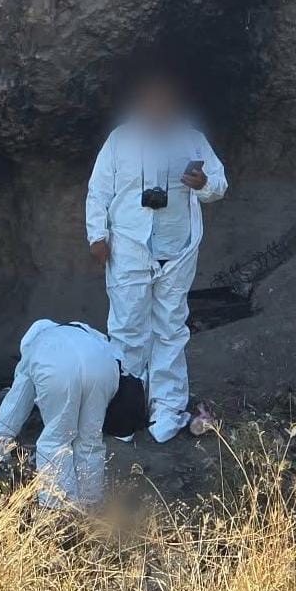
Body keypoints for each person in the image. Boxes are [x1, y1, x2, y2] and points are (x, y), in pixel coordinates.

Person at [85, 72, 228, 442]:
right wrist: (97, 236)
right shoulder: (120, 140)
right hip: (129, 246)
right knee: (127, 329)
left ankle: (167, 412)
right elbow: (98, 190)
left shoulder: (192, 140)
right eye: (152, 102)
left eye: (165, 103)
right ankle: (124, 415)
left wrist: (204, 184)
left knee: (170, 329)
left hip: (178, 250)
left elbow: (219, 184)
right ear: (141, 104)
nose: (158, 109)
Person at [0, 320, 123, 508]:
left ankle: (58, 510)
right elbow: (116, 356)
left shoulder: (36, 347)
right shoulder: (83, 331)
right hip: (103, 368)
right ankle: (92, 505)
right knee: (90, 440)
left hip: (58, 371)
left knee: (55, 441)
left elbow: (14, 407)